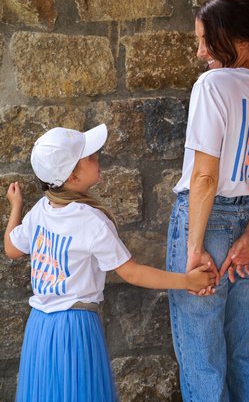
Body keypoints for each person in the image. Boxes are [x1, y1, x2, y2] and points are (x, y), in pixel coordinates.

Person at [4, 124, 216, 402]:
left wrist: (16, 206)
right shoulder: (91, 220)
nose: (98, 158)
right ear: (72, 175)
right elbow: (133, 272)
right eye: (90, 157)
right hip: (76, 328)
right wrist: (187, 281)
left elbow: (11, 248)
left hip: (40, 328)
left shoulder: (41, 210)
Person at [166, 0, 249, 402]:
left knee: (202, 357)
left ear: (240, 39)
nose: (200, 51)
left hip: (206, 224)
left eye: (207, 40)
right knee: (245, 350)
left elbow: (205, 177)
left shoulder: (214, 84)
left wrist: (193, 247)